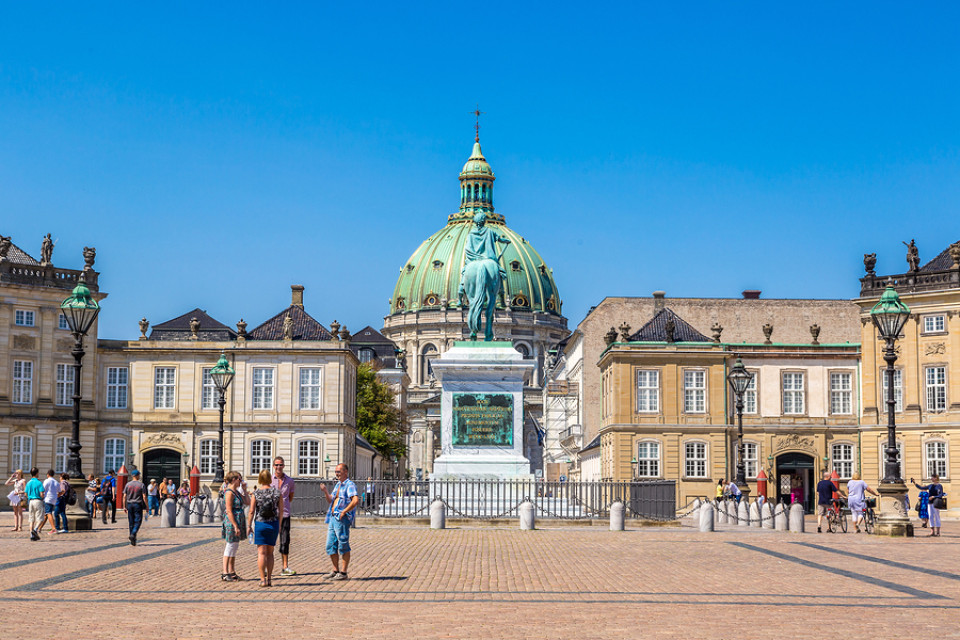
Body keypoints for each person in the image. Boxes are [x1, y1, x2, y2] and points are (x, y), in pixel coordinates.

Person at [320, 463, 359, 581]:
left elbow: (355, 500)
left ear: (345, 472)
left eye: (339, 471)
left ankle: (343, 572)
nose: (337, 474)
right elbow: (331, 499)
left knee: (343, 544)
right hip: (333, 517)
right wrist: (326, 492)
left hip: (341, 519)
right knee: (330, 545)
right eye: (336, 472)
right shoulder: (338, 484)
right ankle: (335, 570)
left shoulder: (349, 484)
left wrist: (344, 512)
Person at [249, 469, 282, 587]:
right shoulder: (277, 492)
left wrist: (249, 525)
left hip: (260, 524)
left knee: (261, 553)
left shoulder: (256, 493)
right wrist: (280, 524)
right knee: (270, 553)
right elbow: (281, 511)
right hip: (273, 524)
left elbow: (252, 511)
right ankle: (269, 579)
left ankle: (262, 579)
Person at [270, 456, 296, 576]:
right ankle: (268, 566)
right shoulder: (269, 480)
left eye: (280, 465)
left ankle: (285, 566)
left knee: (285, 541)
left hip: (285, 514)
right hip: (271, 515)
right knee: (270, 542)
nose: (278, 467)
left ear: (284, 466)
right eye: (276, 465)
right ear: (273, 466)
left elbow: (290, 497)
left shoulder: (289, 481)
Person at [220, 471, 247, 582]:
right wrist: (235, 525)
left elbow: (247, 502)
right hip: (232, 522)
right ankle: (225, 572)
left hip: (238, 519)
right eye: (239, 479)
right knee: (230, 546)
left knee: (234, 546)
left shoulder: (236, 491)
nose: (241, 481)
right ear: (234, 479)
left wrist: (244, 490)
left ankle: (232, 571)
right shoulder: (229, 492)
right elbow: (229, 511)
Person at [123, 470, 148, 545]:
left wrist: (124, 506)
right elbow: (144, 496)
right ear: (137, 476)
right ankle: (133, 534)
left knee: (131, 522)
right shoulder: (141, 485)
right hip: (137, 504)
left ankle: (132, 539)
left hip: (129, 504)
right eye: (139, 475)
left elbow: (124, 496)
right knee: (138, 521)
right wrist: (147, 506)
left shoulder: (127, 484)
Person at [25, 468, 45, 541]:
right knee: (40, 518)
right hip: (38, 501)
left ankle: (31, 535)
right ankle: (35, 530)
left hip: (31, 501)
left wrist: (30, 497)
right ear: (37, 473)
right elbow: (41, 494)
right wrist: (43, 496)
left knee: (31, 519)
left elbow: (25, 493)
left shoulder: (28, 483)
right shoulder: (39, 483)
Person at [41, 469, 60, 536]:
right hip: (54, 499)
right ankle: (39, 528)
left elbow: (43, 489)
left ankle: (53, 528)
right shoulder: (56, 482)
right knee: (46, 514)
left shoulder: (47, 481)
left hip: (48, 498)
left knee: (48, 513)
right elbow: (59, 492)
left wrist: (41, 495)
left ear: (48, 474)